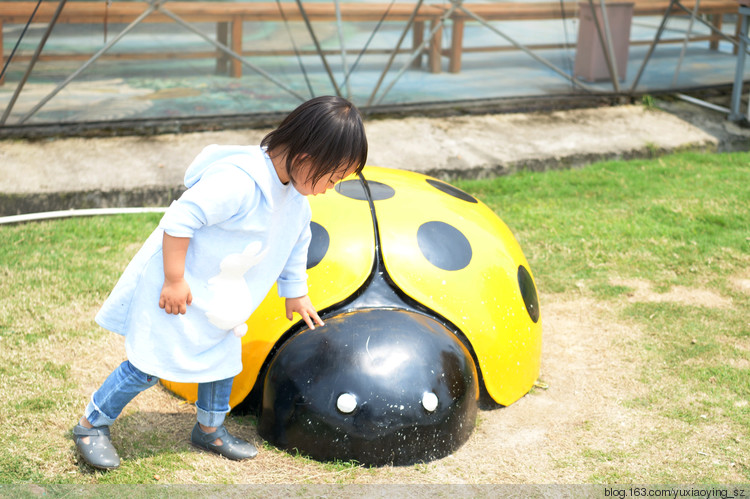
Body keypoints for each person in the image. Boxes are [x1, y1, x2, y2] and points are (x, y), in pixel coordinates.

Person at [72, 96, 368, 470]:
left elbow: (296, 242)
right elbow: (180, 221)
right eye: (332, 176)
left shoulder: (295, 200)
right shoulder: (239, 182)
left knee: (223, 361)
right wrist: (175, 279)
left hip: (221, 300)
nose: (331, 187)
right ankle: (90, 425)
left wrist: (296, 292)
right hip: (180, 290)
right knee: (149, 362)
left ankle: (209, 429)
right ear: (307, 156)